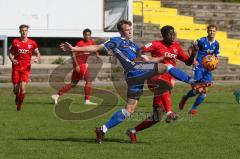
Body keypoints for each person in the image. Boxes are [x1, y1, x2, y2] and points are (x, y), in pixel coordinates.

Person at [60, 20, 207, 144]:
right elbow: (95, 47)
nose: (130, 32)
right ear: (121, 31)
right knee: (168, 67)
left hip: (133, 75)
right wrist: (74, 48)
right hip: (134, 68)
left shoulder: (133, 45)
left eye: (130, 29)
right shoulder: (115, 41)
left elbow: (147, 60)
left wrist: (158, 59)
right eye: (127, 30)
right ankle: (193, 82)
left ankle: (102, 129)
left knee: (129, 110)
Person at [126, 25, 198, 143]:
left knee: (157, 116)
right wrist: (146, 58)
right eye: (169, 34)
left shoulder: (176, 47)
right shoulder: (156, 44)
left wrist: (194, 54)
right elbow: (140, 50)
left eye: (173, 33)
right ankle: (170, 112)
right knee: (164, 85)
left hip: (169, 81)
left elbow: (188, 62)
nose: (172, 36)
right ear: (163, 35)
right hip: (155, 77)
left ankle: (132, 131)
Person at [178, 24, 220, 115]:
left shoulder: (216, 44)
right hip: (199, 68)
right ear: (207, 31)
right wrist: (193, 60)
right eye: (210, 30)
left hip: (207, 70)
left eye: (213, 31)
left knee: (204, 92)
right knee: (199, 90)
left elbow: (216, 56)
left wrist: (214, 64)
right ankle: (185, 98)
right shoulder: (201, 40)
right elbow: (189, 49)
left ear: (216, 32)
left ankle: (192, 109)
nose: (212, 32)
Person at [51, 29, 99, 105]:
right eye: (86, 35)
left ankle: (56, 95)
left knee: (73, 83)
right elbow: (72, 52)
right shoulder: (80, 43)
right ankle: (87, 101)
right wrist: (76, 65)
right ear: (83, 35)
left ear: (90, 35)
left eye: (89, 35)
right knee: (88, 81)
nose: (87, 36)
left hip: (82, 64)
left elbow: (94, 48)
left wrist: (96, 54)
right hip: (80, 64)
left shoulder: (91, 42)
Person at [9, 24, 41, 111]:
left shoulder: (32, 43)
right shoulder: (15, 42)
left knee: (23, 88)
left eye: (25, 30)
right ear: (19, 31)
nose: (24, 32)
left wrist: (37, 58)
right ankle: (16, 95)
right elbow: (10, 53)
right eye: (22, 30)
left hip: (26, 68)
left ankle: (19, 106)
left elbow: (38, 53)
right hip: (16, 67)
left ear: (27, 31)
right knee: (16, 89)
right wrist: (12, 59)